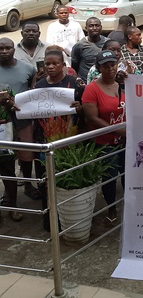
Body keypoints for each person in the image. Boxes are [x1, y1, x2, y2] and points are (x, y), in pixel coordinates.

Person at [34, 49, 85, 230]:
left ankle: (71, 217)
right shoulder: (39, 86)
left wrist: (80, 108)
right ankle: (50, 220)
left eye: (55, 63)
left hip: (70, 142)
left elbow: (86, 108)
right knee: (46, 182)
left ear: (64, 65)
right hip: (44, 141)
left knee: (68, 181)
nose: (50, 66)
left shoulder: (75, 84)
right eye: (47, 63)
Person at [82, 50, 126, 225]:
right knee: (109, 177)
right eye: (105, 66)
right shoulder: (92, 89)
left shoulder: (123, 84)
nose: (110, 69)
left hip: (126, 141)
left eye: (112, 65)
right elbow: (92, 118)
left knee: (128, 175)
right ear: (98, 68)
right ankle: (111, 207)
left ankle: (130, 206)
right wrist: (117, 130)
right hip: (105, 142)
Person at [0, 38, 38, 200]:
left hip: (22, 118)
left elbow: (33, 90)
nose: (4, 51)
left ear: (14, 50)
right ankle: (9, 191)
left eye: (8, 48)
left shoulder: (28, 68)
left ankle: (28, 184)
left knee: (26, 154)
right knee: (4, 157)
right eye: (0, 48)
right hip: (1, 121)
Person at [0, 85, 23, 223]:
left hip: (5, 135)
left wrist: (8, 103)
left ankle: (13, 207)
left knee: (8, 174)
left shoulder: (6, 88)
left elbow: (17, 109)